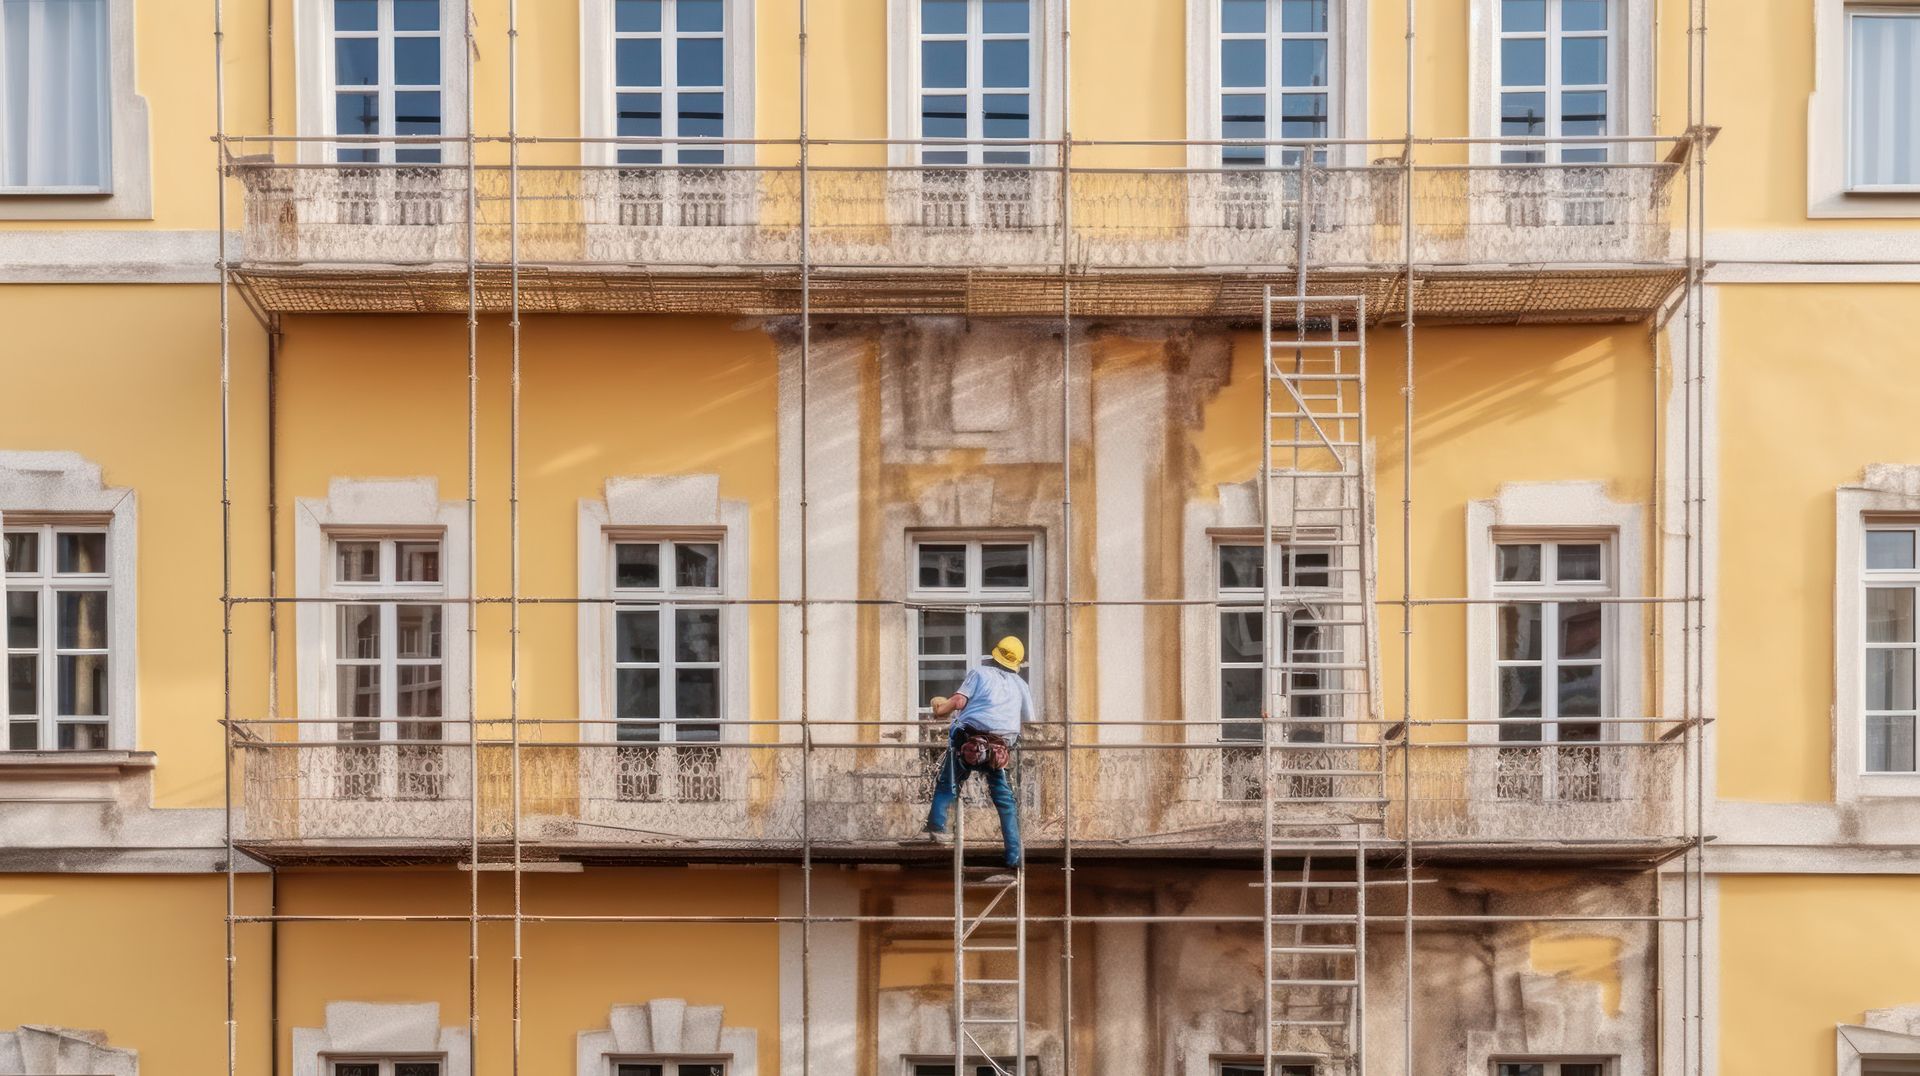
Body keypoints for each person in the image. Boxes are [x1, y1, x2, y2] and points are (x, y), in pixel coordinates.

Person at [923, 635, 1033, 870]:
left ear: (995, 656)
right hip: (998, 749)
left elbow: (960, 702)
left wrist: (940, 708)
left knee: (948, 784)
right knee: (1005, 801)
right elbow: (1031, 721)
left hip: (968, 741)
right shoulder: (1022, 686)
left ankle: (936, 828)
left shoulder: (980, 673)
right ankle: (1014, 855)